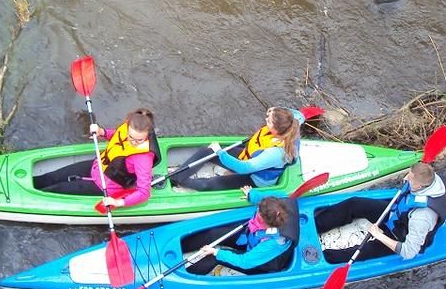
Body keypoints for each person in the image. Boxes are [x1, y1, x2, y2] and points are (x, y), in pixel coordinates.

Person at [317, 161, 446, 264]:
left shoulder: (422, 217)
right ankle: (318, 224)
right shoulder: (431, 178)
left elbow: (409, 252)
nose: (406, 178)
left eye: (410, 179)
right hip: (396, 217)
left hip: (402, 235)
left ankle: (323, 257)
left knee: (358, 251)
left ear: (419, 186)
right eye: (409, 174)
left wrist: (378, 235)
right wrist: (412, 177)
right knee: (355, 203)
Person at [32, 108, 159, 209]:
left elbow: (144, 192)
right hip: (97, 166)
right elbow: (118, 137)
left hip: (105, 186)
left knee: (57, 190)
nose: (133, 142)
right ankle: (29, 184)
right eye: (131, 137)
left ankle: (33, 202)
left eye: (139, 140)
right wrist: (102, 132)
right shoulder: (127, 127)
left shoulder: (143, 158)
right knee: (52, 177)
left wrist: (118, 202)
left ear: (147, 135)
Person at [173, 107, 302, 192]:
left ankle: (181, 181)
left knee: (207, 184)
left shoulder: (276, 153)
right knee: (205, 152)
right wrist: (273, 111)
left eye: (269, 121)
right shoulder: (291, 124)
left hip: (254, 177)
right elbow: (297, 114)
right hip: (249, 156)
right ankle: (177, 176)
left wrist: (220, 152)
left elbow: (243, 168)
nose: (265, 120)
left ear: (276, 130)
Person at [184, 190, 299, 275]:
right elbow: (281, 194)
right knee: (213, 234)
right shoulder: (280, 203)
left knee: (214, 257)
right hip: (251, 238)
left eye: (258, 216)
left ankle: (185, 276)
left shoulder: (275, 242)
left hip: (258, 263)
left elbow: (245, 262)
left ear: (265, 222)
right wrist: (252, 195)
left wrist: (215, 252)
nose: (257, 212)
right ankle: (182, 245)